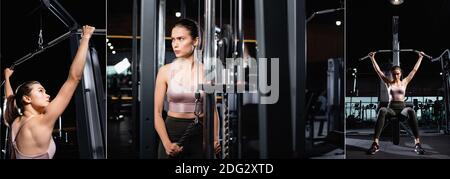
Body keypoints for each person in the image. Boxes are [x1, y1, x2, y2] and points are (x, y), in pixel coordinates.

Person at [3, 25, 95, 159]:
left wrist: (6, 77)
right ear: (27, 99)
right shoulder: (42, 121)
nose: (48, 95)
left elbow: (10, 97)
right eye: (41, 91)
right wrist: (86, 37)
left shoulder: (15, 121)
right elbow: (74, 78)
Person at [154, 19, 220, 159]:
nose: (175, 44)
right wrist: (166, 143)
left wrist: (215, 138)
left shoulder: (208, 71)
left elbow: (212, 111)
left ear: (195, 41)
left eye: (181, 39)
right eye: (173, 40)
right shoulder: (165, 71)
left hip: (200, 134)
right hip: (171, 132)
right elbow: (158, 113)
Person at [367, 51, 425, 155]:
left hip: (402, 109)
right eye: (393, 74)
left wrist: (420, 57)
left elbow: (414, 70)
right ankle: (375, 144)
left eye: (397, 74)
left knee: (411, 110)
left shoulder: (405, 82)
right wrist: (372, 58)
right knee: (382, 110)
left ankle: (417, 143)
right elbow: (378, 71)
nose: (395, 76)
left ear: (400, 73)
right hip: (391, 109)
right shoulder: (388, 83)